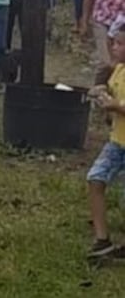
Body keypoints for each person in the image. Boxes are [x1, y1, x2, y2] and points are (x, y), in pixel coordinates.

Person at [85, 19, 125, 259]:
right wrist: (101, 93)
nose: (114, 48)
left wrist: (116, 106)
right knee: (95, 178)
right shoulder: (118, 70)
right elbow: (112, 94)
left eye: (120, 44)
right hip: (117, 142)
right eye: (115, 43)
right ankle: (102, 240)